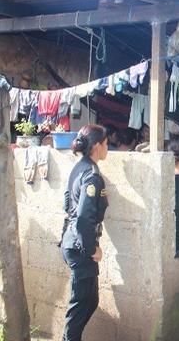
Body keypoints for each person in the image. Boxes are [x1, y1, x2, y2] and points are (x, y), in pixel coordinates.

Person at [60, 124, 109, 341]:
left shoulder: (80, 168)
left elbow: (67, 203)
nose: (108, 147)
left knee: (90, 301)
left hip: (74, 242)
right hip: (80, 246)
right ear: (97, 146)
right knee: (80, 305)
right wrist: (91, 249)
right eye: (106, 143)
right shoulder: (91, 176)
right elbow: (82, 219)